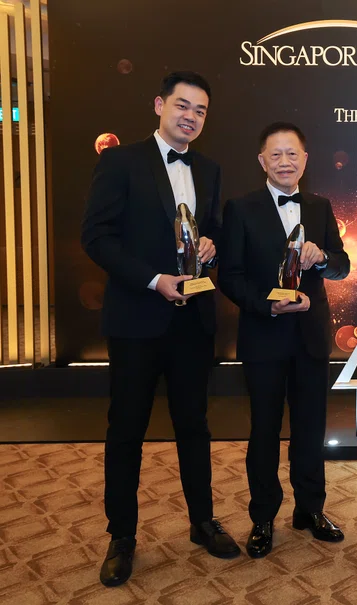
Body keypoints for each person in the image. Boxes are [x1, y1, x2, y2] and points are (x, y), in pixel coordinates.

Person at [81, 71, 239, 587]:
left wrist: (211, 244)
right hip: (137, 319)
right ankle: (122, 536)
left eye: (200, 110)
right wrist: (154, 280)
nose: (190, 116)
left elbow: (211, 232)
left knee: (194, 425)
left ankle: (202, 522)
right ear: (159, 105)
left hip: (193, 321)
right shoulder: (120, 162)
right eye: (182, 105)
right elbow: (96, 237)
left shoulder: (210, 169)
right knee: (126, 428)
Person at [219, 122, 350, 558]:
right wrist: (266, 305)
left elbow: (342, 266)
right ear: (262, 161)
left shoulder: (320, 206)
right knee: (264, 431)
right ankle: (262, 518)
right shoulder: (240, 208)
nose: (285, 162)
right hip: (264, 337)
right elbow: (230, 276)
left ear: (305, 160)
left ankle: (310, 510)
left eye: (292, 154)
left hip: (311, 337)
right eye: (275, 155)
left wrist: (323, 257)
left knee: (311, 429)